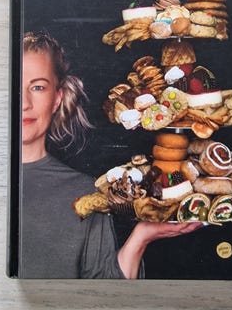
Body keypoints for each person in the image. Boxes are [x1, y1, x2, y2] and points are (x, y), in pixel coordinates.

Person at [20, 31, 202, 279]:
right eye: (15, 87)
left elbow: (104, 287)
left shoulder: (87, 193)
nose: (25, 103)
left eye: (38, 87)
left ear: (57, 99)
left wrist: (140, 237)